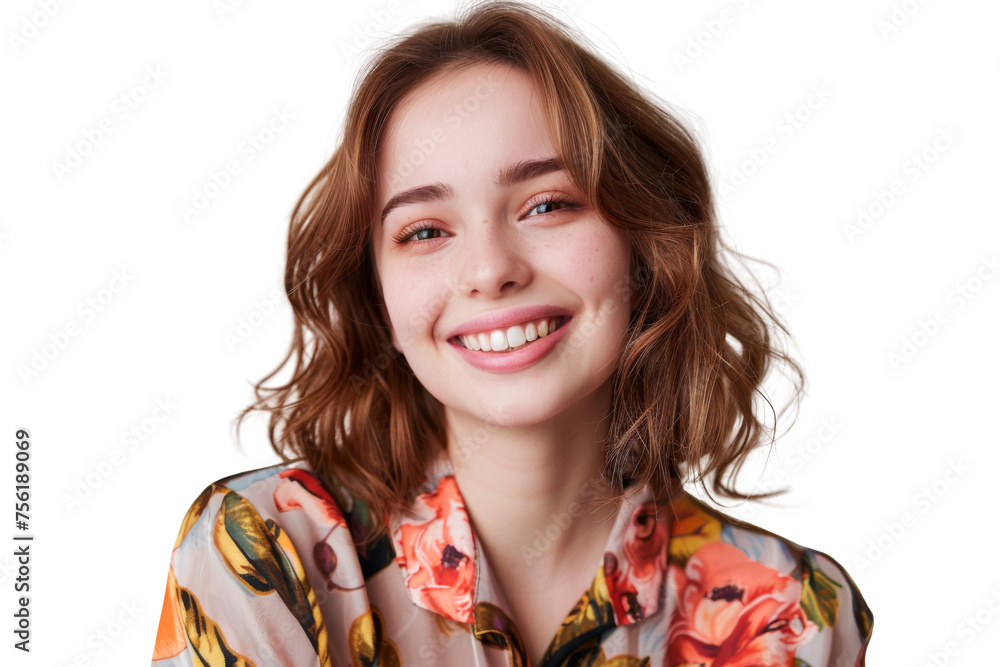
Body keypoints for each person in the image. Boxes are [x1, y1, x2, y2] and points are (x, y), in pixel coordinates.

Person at [151, 1, 873, 665]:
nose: (490, 270)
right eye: (425, 229)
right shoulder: (265, 548)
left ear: (646, 248)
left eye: (548, 204)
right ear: (377, 296)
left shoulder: (791, 611)